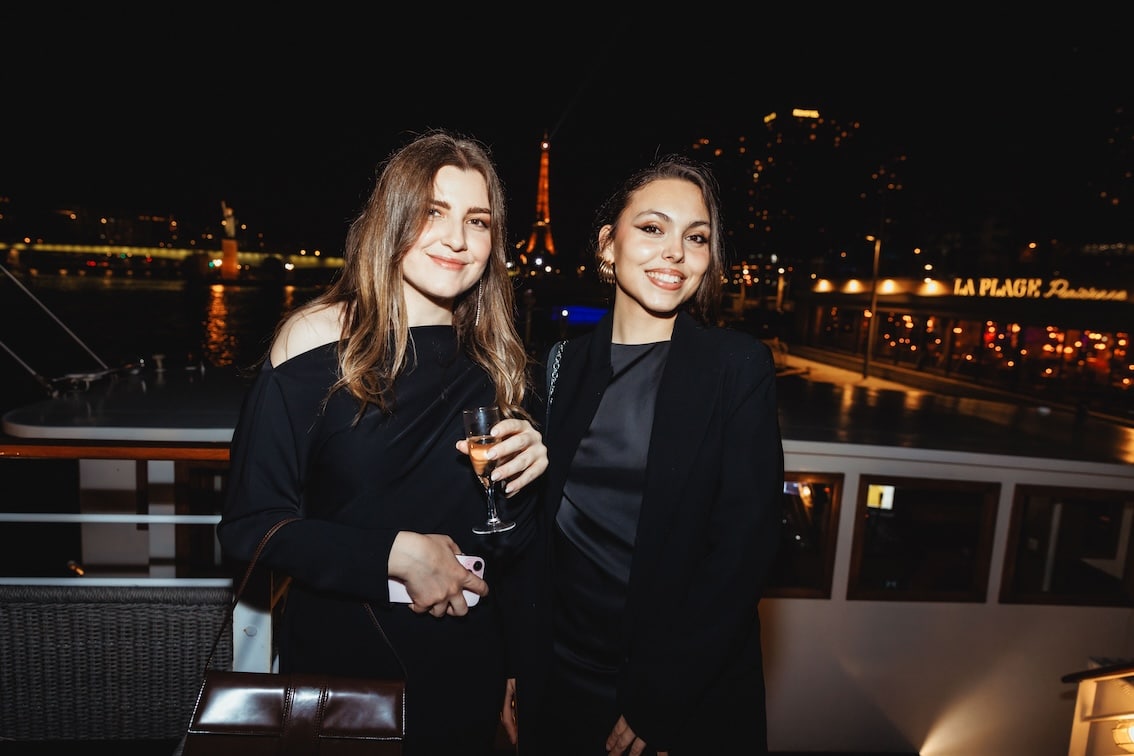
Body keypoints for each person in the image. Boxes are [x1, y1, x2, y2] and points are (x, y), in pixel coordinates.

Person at [217, 129, 546, 756]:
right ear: (391, 219)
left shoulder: (500, 366)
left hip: (466, 666)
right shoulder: (314, 341)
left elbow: (511, 550)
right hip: (344, 664)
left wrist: (530, 477)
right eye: (432, 212)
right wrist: (395, 555)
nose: (457, 238)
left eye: (477, 221)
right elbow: (251, 528)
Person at [504, 155, 784, 755]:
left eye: (696, 237)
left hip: (679, 685)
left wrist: (663, 697)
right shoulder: (557, 366)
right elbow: (534, 539)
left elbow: (744, 552)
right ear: (609, 245)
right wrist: (514, 664)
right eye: (653, 228)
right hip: (560, 675)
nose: (675, 252)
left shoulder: (736, 368)